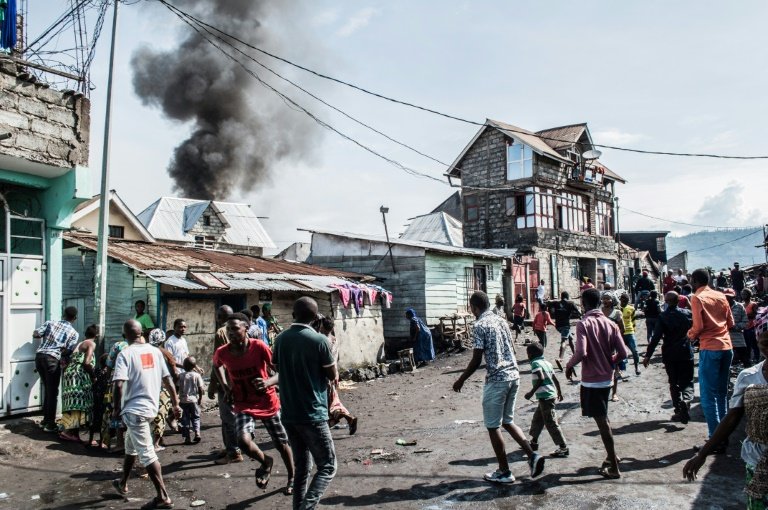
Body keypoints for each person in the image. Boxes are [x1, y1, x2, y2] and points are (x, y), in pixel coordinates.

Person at [453, 291, 544, 484]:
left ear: (475, 307)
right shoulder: (501, 320)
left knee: (493, 426)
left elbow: (477, 359)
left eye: (472, 308)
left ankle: (504, 472)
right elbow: (511, 346)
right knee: (508, 421)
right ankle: (533, 456)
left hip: (497, 380)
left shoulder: (479, 325)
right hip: (514, 376)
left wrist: (461, 379)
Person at [683, 332, 768, 508]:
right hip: (757, 458)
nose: (765, 341)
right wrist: (702, 454)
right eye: (763, 335)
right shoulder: (748, 376)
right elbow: (732, 417)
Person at [214, 313, 295, 495]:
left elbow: (280, 371)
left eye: (235, 329)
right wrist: (226, 388)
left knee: (282, 443)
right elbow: (216, 365)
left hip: (267, 401)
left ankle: (292, 477)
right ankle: (266, 461)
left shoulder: (258, 347)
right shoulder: (223, 352)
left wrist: (268, 382)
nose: (231, 333)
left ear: (246, 329)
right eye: (228, 329)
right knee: (242, 440)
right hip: (243, 403)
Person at [272, 297, 338, 508]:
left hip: (289, 412)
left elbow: (277, 368)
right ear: (316, 318)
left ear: (293, 314)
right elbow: (332, 374)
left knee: (302, 468)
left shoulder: (281, 339)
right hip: (312, 412)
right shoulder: (320, 341)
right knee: (327, 466)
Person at [111, 319, 181, 510]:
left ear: (125, 334)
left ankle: (163, 497)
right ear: (141, 332)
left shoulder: (125, 353)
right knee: (131, 447)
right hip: (150, 408)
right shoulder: (155, 351)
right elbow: (168, 380)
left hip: (134, 411)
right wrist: (175, 403)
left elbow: (118, 384)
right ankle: (123, 482)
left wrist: (116, 409)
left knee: (147, 454)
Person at [566, 288, 629, 479]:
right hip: (607, 379)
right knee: (604, 419)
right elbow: (624, 353)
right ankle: (613, 457)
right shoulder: (611, 324)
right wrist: (610, 362)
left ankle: (614, 467)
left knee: (602, 423)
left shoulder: (584, 323)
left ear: (584, 304)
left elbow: (581, 352)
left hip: (592, 381)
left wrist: (568, 366)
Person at [688, 268, 734, 450]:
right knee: (722, 394)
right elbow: (731, 323)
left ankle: (714, 439)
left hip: (710, 348)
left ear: (695, 281)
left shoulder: (697, 297)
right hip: (727, 347)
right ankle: (723, 437)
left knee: (708, 396)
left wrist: (690, 335)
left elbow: (697, 327)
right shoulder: (721, 296)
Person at [643, 291, 694, 424]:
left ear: (666, 302)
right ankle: (687, 400)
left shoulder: (663, 317)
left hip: (670, 354)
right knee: (687, 381)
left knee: (673, 382)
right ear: (678, 301)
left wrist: (648, 355)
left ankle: (678, 409)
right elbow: (697, 330)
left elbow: (656, 338)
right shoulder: (688, 314)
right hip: (685, 352)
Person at [207, 305, 244, 466]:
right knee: (230, 416)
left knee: (227, 417)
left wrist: (212, 385)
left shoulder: (221, 332)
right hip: (239, 380)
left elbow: (218, 363)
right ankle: (231, 447)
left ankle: (233, 451)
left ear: (220, 317)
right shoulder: (241, 331)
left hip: (226, 383)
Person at [34, 306, 79, 433]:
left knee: (48, 389)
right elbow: (68, 351)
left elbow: (36, 333)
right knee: (53, 392)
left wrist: (44, 337)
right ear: (75, 318)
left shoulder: (50, 323)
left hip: (39, 357)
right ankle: (50, 424)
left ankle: (45, 420)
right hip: (52, 360)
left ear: (63, 314)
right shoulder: (74, 333)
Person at [524, 342, 568, 458]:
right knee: (538, 419)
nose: (528, 356)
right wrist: (559, 392)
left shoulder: (535, 363)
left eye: (528, 354)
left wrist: (531, 393)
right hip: (549, 395)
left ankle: (563, 447)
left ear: (531, 354)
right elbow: (555, 380)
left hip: (545, 397)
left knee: (551, 422)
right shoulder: (547, 363)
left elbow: (541, 378)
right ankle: (533, 442)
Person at [317, 316, 358, 435]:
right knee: (332, 401)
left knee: (329, 403)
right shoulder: (334, 339)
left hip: (325, 375)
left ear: (322, 326)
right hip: (334, 373)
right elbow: (336, 359)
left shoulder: (322, 340)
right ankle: (348, 419)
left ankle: (348, 418)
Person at [57, 324, 98, 442]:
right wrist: (93, 376)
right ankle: (70, 433)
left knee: (73, 403)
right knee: (77, 403)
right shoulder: (91, 343)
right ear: (97, 335)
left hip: (70, 374)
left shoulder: (80, 343)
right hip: (78, 375)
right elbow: (87, 362)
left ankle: (68, 431)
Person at [148, 329, 178, 450]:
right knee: (160, 415)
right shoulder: (164, 353)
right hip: (162, 388)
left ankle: (153, 440)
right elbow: (174, 371)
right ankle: (155, 443)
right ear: (163, 339)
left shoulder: (145, 351)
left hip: (147, 387)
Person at [600, 292, 625, 402]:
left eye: (607, 299)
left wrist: (616, 340)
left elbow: (622, 328)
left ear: (612, 300)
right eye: (603, 299)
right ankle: (603, 392)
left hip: (612, 345)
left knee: (614, 369)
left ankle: (614, 393)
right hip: (599, 344)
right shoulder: (599, 312)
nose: (605, 301)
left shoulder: (617, 313)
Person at [179, 357, 204, 445]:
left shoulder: (181, 376)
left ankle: (187, 438)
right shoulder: (197, 375)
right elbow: (200, 388)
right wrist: (200, 398)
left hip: (183, 401)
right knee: (196, 417)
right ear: (194, 366)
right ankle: (197, 433)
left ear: (184, 366)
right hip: (194, 400)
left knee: (184, 419)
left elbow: (177, 387)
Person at [551, 292, 581, 363]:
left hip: (558, 326)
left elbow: (551, 310)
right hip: (565, 325)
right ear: (567, 297)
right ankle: (560, 358)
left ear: (561, 297)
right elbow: (578, 313)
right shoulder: (570, 303)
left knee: (570, 338)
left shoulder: (556, 303)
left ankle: (575, 355)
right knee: (564, 340)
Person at [726, 289, 752, 369]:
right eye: (725, 296)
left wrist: (734, 326)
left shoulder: (740, 307)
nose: (727, 298)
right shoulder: (721, 307)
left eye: (729, 297)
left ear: (733, 297)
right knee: (726, 362)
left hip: (738, 338)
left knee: (745, 360)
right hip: (725, 338)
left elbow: (745, 323)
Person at [89, 352, 110, 448]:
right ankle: (101, 442)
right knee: (103, 420)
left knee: (94, 419)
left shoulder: (96, 370)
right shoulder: (108, 373)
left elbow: (93, 382)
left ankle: (90, 440)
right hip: (104, 399)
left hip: (95, 398)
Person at [619, 293, 640, 376]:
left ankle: (637, 367)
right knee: (620, 353)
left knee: (635, 351)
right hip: (619, 333)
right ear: (620, 300)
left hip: (629, 332)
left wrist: (633, 330)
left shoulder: (631, 308)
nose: (624, 302)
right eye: (623, 300)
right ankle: (620, 370)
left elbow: (633, 320)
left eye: (626, 300)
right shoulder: (617, 309)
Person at [743, 289, 760, 364]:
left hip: (752, 326)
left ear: (749, 295)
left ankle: (757, 358)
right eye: (742, 294)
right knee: (747, 345)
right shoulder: (742, 305)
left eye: (745, 294)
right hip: (745, 327)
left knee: (754, 344)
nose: (743, 296)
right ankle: (748, 360)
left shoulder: (753, 304)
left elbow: (756, 315)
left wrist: (745, 316)